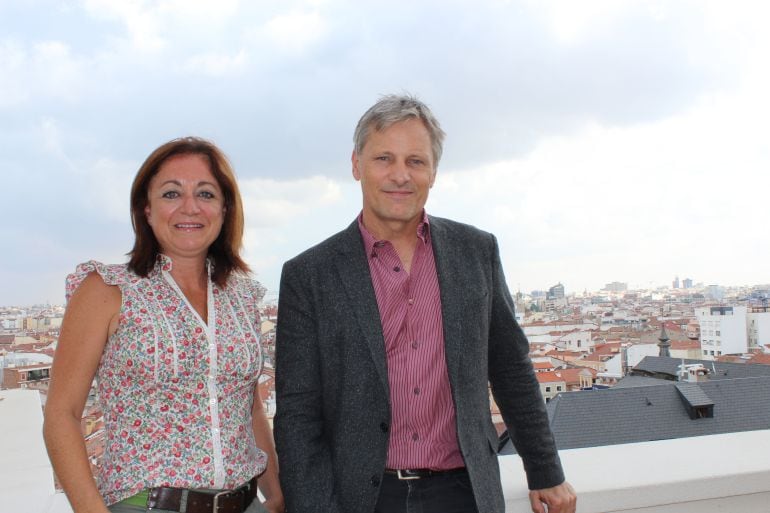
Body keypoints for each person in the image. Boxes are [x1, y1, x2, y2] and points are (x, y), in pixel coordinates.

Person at [274, 95, 576, 513]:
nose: (400, 175)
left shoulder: (476, 252)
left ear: (433, 172)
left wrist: (545, 470)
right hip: (361, 498)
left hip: (464, 493)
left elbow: (510, 367)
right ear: (356, 165)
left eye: (416, 161)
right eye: (384, 158)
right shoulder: (311, 274)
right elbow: (298, 414)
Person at [44, 137, 284, 513]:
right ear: (147, 208)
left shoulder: (242, 297)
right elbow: (62, 414)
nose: (190, 207)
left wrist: (276, 493)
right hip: (148, 505)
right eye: (171, 193)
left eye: (205, 194)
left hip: (246, 502)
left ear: (224, 209)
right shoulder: (107, 291)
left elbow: (249, 408)